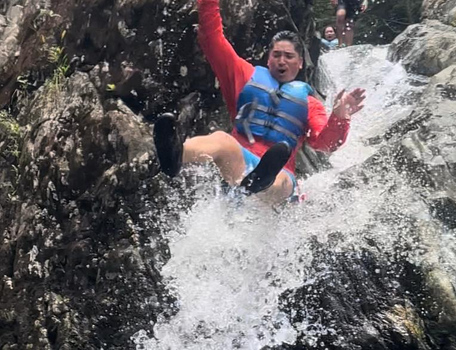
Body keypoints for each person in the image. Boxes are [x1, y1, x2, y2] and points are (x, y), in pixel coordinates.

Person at [153, 0, 366, 205]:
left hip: (280, 178)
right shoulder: (245, 76)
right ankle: (175, 155)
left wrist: (339, 117)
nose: (282, 61)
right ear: (268, 59)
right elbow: (212, 40)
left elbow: (325, 144)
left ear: (300, 63)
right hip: (241, 161)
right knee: (221, 140)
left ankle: (260, 182)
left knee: (282, 181)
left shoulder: (310, 104)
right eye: (277, 55)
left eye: (289, 56)